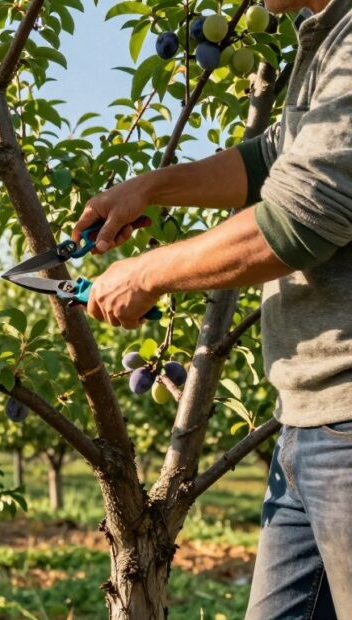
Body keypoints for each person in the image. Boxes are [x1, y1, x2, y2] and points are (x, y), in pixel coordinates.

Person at [71, 0, 352, 615]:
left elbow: (303, 215)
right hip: (309, 421)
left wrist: (147, 272)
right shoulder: (325, 37)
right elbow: (270, 157)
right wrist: (152, 186)